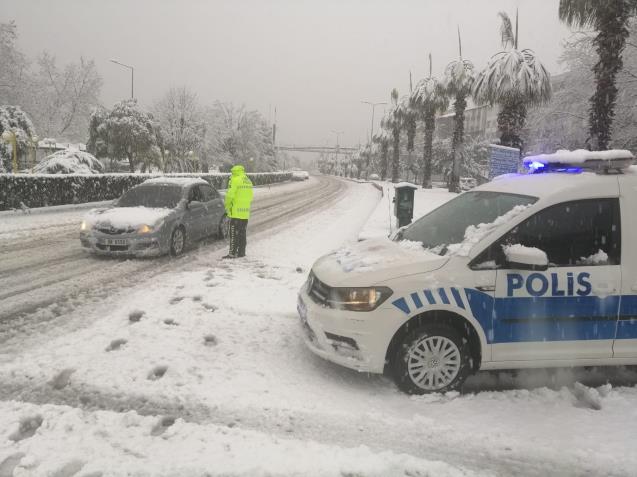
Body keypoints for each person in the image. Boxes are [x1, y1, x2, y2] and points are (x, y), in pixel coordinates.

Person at [223, 164, 253, 259]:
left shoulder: (235, 180)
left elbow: (230, 195)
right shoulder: (248, 181)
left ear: (234, 172)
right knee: (242, 233)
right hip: (245, 213)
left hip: (236, 213)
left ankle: (232, 253)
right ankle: (241, 252)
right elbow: (251, 196)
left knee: (233, 234)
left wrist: (227, 206)